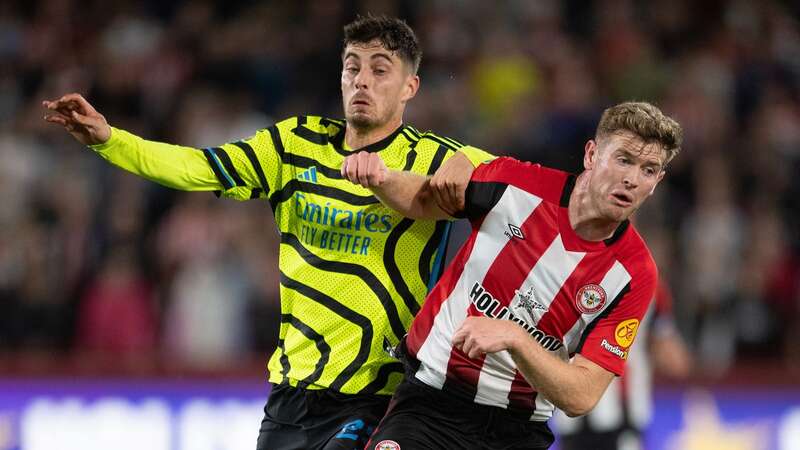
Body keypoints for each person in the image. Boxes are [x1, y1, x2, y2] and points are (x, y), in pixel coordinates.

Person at [42, 15, 494, 450]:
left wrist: (469, 162)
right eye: (352, 67)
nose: (362, 81)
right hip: (292, 394)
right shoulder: (294, 144)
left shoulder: (434, 156)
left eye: (380, 70)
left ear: (409, 87)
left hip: (382, 396)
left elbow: (518, 180)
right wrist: (109, 139)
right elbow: (197, 168)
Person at [342, 101, 682, 449]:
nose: (632, 178)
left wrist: (515, 337)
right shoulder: (516, 186)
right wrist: (381, 179)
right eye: (623, 159)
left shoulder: (634, 275)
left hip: (517, 431)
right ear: (592, 155)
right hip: (431, 405)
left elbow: (581, 396)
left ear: (657, 182)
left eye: (648, 170)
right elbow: (427, 198)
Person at [554, 281, 691, 450]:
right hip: (592, 404)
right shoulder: (649, 282)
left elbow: (668, 349)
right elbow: (671, 353)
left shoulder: (566, 275)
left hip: (614, 406)